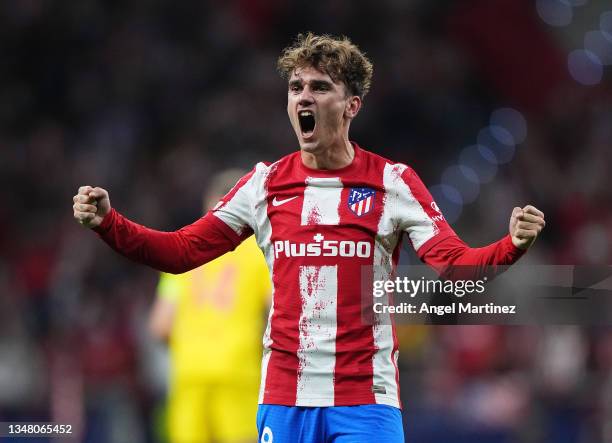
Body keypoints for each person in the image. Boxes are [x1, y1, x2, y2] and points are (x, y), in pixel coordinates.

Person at [73, 33, 545, 443]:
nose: (304, 97)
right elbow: (178, 252)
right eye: (296, 87)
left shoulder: (393, 183)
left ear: (351, 105)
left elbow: (454, 265)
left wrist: (510, 247)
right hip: (284, 398)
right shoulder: (264, 185)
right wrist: (109, 223)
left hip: (367, 398)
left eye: (320, 88)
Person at [148, 169, 270, 443]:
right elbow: (280, 311)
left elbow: (160, 326)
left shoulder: (184, 247)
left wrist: (194, 341)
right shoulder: (259, 252)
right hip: (238, 371)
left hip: (189, 374)